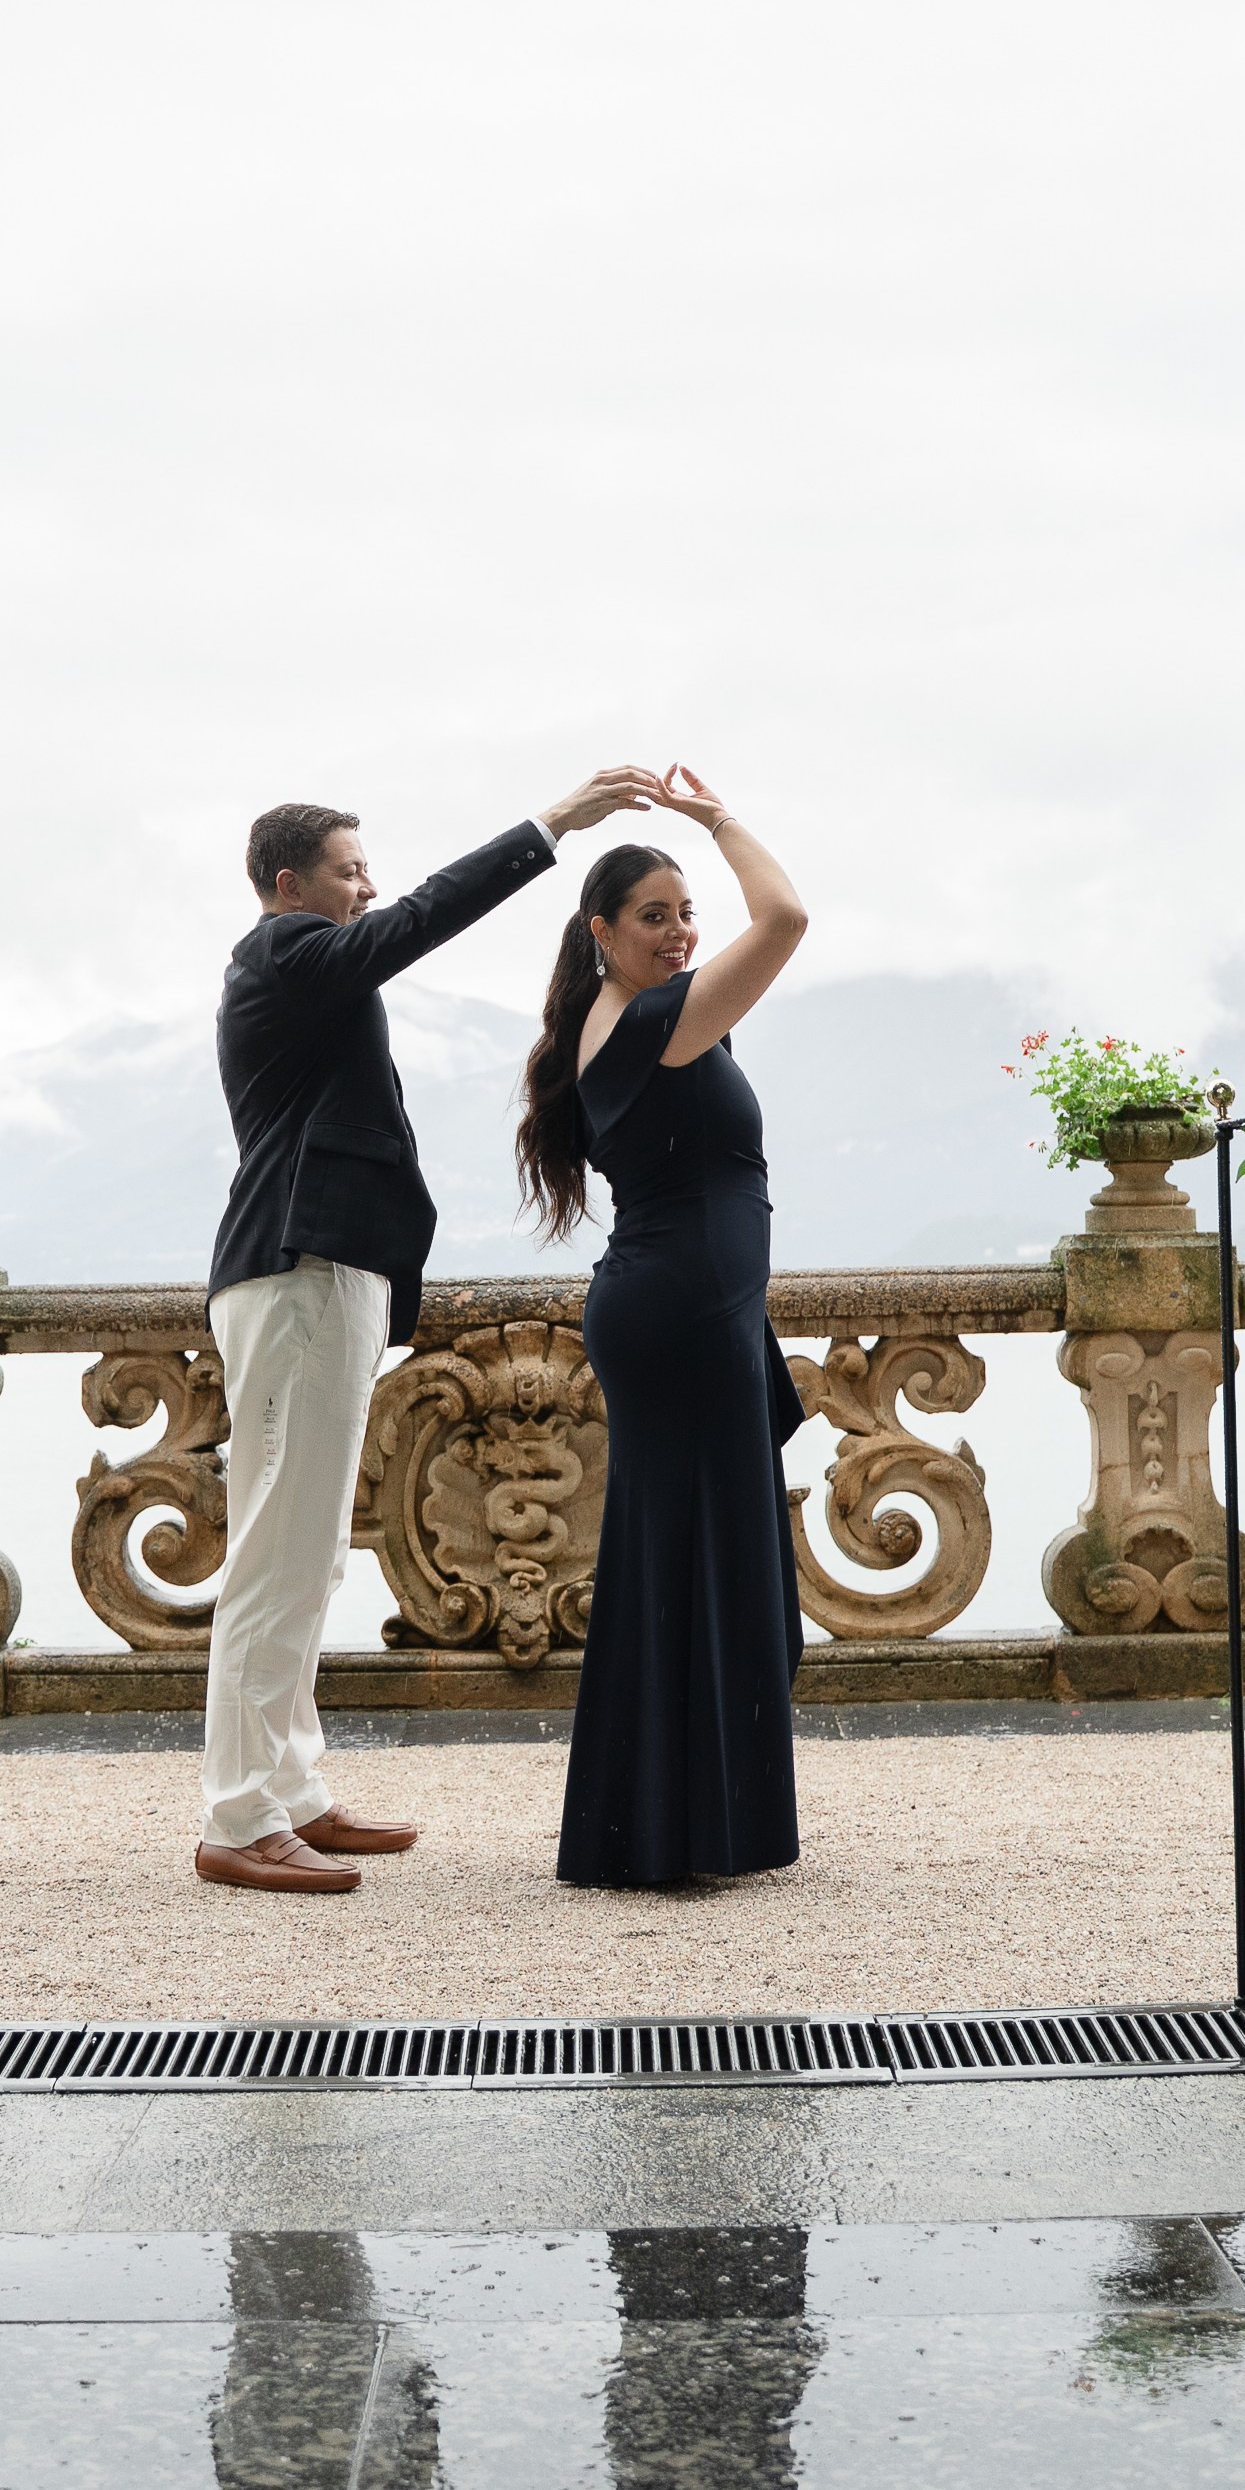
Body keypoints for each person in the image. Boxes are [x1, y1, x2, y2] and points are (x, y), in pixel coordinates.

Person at [198, 768, 663, 1894]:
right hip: (297, 1274)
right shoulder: (284, 953)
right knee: (275, 1550)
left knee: (309, 1552)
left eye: (368, 868)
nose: (368, 886)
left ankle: (290, 1791)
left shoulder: (306, 969)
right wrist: (554, 825)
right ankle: (237, 1817)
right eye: (348, 870)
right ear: (287, 884)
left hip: (327, 1275)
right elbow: (419, 920)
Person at [516, 772, 810, 1886]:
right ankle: (666, 1829)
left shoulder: (649, 1017)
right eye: (655, 914)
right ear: (602, 931)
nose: (681, 931)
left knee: (689, 1561)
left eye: (688, 912)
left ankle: (665, 1821)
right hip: (681, 1319)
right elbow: (785, 918)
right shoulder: (648, 1023)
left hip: (689, 1314)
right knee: (693, 1562)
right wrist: (719, 819)